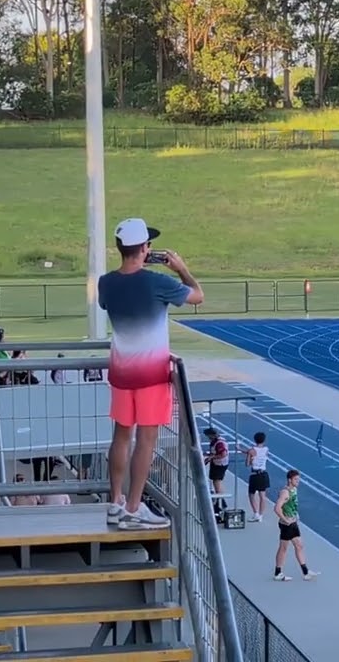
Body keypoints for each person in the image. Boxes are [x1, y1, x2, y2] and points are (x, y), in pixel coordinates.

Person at [99, 217, 204, 530]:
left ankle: (115, 502)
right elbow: (197, 295)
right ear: (144, 248)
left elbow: (108, 302)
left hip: (121, 371)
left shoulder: (106, 282)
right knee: (146, 440)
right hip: (151, 375)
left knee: (121, 436)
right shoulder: (158, 282)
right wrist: (181, 268)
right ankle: (134, 507)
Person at [273, 470, 318, 581]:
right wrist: (285, 520)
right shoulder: (285, 492)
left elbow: (293, 505)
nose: (298, 481)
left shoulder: (294, 490)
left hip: (293, 523)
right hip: (287, 525)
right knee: (283, 548)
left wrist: (295, 515)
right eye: (296, 480)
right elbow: (277, 508)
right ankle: (278, 572)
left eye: (299, 479)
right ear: (290, 480)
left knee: (299, 546)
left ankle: (306, 572)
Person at [245, 431, 270, 523]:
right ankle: (261, 515)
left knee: (251, 494)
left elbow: (247, 464)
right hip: (263, 474)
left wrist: (249, 458)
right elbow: (262, 455)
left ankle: (255, 513)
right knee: (262, 496)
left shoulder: (251, 450)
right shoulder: (266, 449)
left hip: (255, 475)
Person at [203, 427, 229, 502]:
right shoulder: (215, 441)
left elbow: (223, 454)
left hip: (220, 464)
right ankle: (220, 497)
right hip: (217, 463)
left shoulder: (219, 443)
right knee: (217, 481)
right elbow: (215, 452)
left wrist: (212, 457)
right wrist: (209, 455)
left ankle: (220, 499)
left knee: (217, 481)